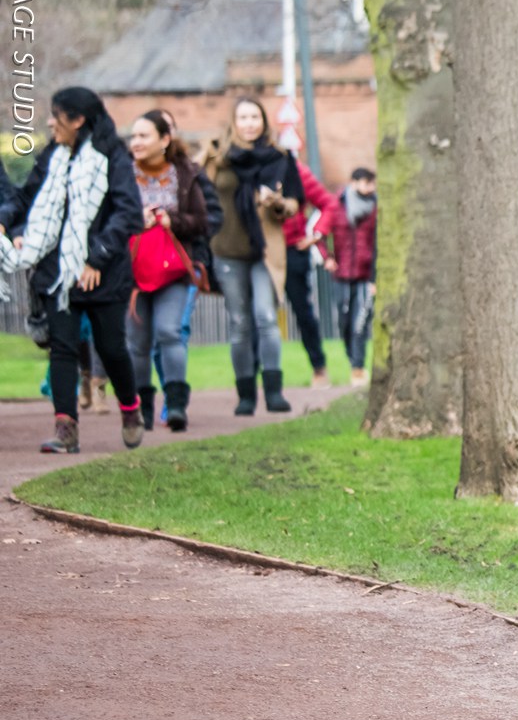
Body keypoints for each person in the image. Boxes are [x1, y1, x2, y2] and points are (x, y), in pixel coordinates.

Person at [0, 87, 144, 452]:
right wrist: (8, 223)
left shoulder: (113, 157)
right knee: (62, 349)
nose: (50, 122)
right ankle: (66, 430)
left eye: (56, 115)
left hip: (103, 272)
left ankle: (130, 408)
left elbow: (128, 213)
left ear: (78, 120)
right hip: (57, 272)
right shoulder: (53, 154)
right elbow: (26, 197)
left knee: (111, 349)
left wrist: (96, 259)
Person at [203, 97, 302, 415]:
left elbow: (295, 203)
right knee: (239, 323)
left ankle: (274, 392)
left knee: (266, 318)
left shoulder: (280, 158)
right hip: (227, 250)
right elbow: (200, 192)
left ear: (263, 121)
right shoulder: (217, 155)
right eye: (243, 117)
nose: (249, 123)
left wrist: (277, 202)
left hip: (264, 251)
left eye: (255, 117)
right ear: (234, 121)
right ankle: (245, 395)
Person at [125, 110, 211, 432]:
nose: (136, 142)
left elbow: (202, 221)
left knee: (170, 332)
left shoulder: (185, 174)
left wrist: (169, 220)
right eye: (133, 136)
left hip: (172, 270)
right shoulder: (120, 174)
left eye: (144, 136)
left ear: (164, 140)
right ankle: (141, 409)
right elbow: (106, 221)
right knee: (137, 342)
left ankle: (175, 406)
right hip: (132, 272)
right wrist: (137, 219)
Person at [283, 158, 336, 387]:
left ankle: (319, 368)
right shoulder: (247, 168)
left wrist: (316, 234)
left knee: (303, 312)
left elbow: (328, 204)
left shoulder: (294, 171)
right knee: (254, 316)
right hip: (259, 254)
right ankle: (253, 384)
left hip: (293, 250)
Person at [323, 167, 377, 385]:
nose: (370, 188)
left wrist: (375, 277)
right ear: (353, 183)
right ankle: (353, 360)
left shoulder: (376, 208)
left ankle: (357, 368)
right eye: (366, 182)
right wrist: (327, 257)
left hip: (366, 275)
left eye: (372, 183)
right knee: (345, 322)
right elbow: (320, 232)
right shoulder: (337, 205)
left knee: (360, 323)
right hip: (342, 274)